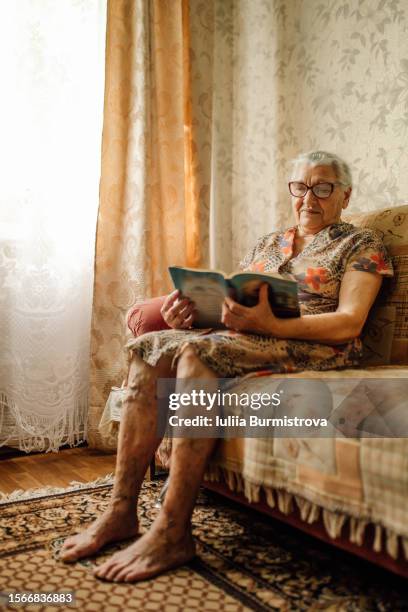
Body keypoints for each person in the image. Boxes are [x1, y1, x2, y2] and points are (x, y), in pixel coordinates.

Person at [60, 151, 393, 582]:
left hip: (318, 346)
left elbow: (350, 322)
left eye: (323, 187)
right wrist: (195, 315)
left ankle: (172, 530)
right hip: (251, 338)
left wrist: (273, 325)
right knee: (150, 346)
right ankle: (121, 511)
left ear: (345, 196)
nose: (309, 197)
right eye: (300, 187)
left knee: (199, 355)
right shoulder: (269, 244)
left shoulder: (361, 245)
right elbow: (235, 307)